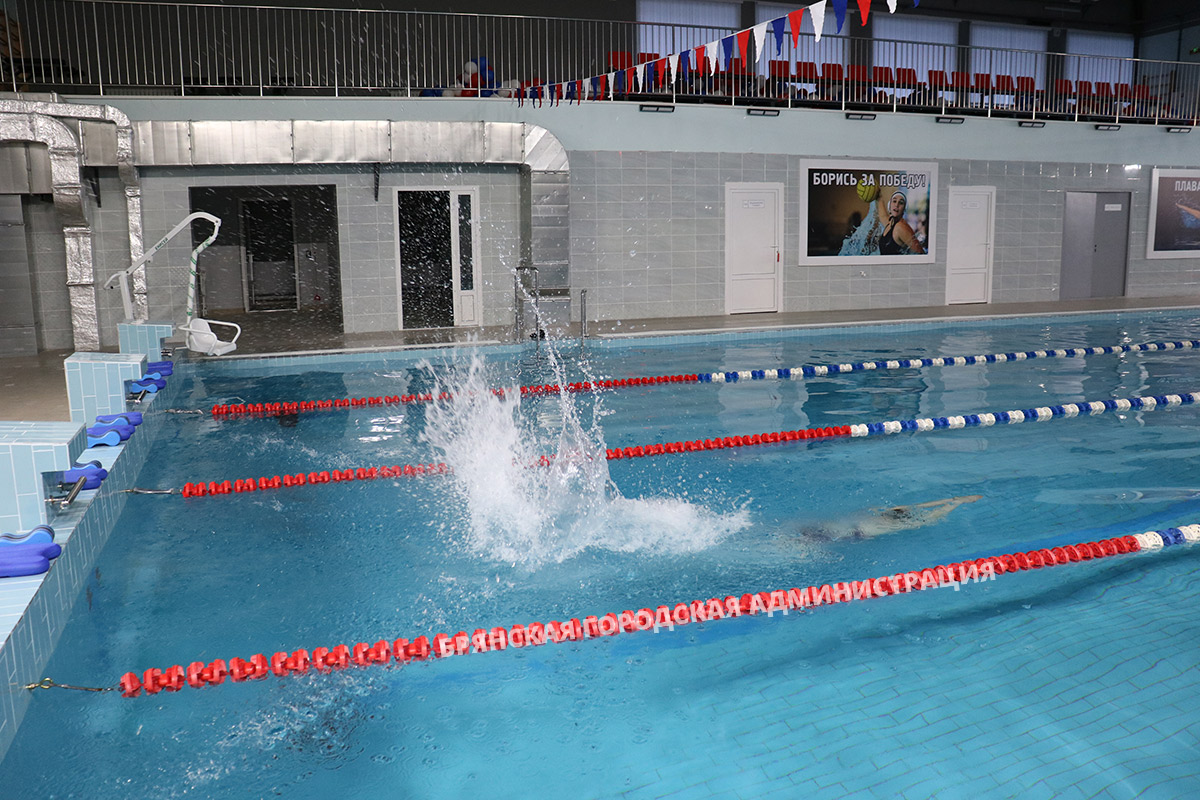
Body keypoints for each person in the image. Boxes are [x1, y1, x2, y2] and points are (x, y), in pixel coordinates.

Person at [877, 190, 925, 255]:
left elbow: (920, 253)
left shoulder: (900, 227)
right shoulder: (890, 223)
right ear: (889, 205)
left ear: (904, 209)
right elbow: (883, 216)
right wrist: (879, 197)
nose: (897, 205)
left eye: (901, 203)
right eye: (894, 201)